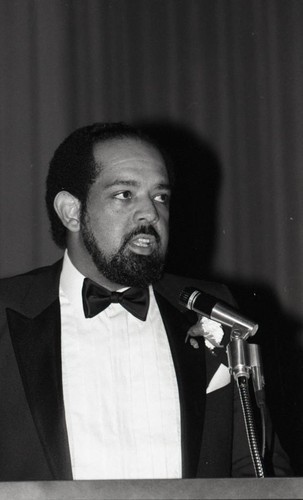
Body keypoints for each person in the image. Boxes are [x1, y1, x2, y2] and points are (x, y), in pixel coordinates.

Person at [0, 122, 290, 481]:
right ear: (71, 212)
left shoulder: (211, 309)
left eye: (160, 196)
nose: (151, 214)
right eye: (124, 194)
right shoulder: (7, 312)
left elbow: (258, 467)